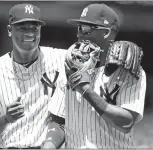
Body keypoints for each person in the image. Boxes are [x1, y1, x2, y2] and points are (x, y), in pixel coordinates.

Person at [51, 3, 147, 148]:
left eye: (86, 29)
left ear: (106, 32)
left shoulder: (128, 72)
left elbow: (126, 122)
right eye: (79, 28)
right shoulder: (70, 67)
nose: (79, 34)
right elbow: (59, 122)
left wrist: (86, 90)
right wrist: (48, 145)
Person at [0, 3, 65, 149]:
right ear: (10, 30)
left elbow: (86, 54)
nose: (30, 33)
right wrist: (5, 119)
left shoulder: (60, 59)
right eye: (22, 28)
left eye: (34, 28)